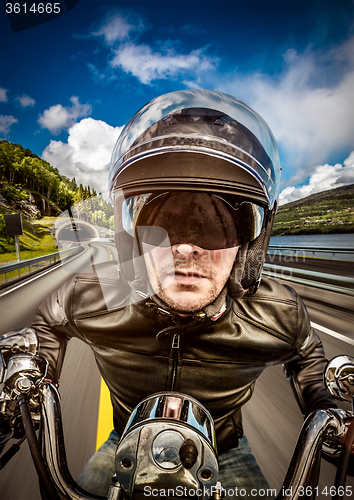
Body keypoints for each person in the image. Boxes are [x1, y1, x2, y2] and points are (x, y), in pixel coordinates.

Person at [31, 89, 336, 498]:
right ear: (133, 240)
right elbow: (50, 320)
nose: (187, 248)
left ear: (248, 246)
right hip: (124, 443)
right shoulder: (93, 294)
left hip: (226, 451)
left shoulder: (279, 312)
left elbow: (306, 353)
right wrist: (33, 380)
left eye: (213, 228)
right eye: (167, 226)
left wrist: (325, 406)